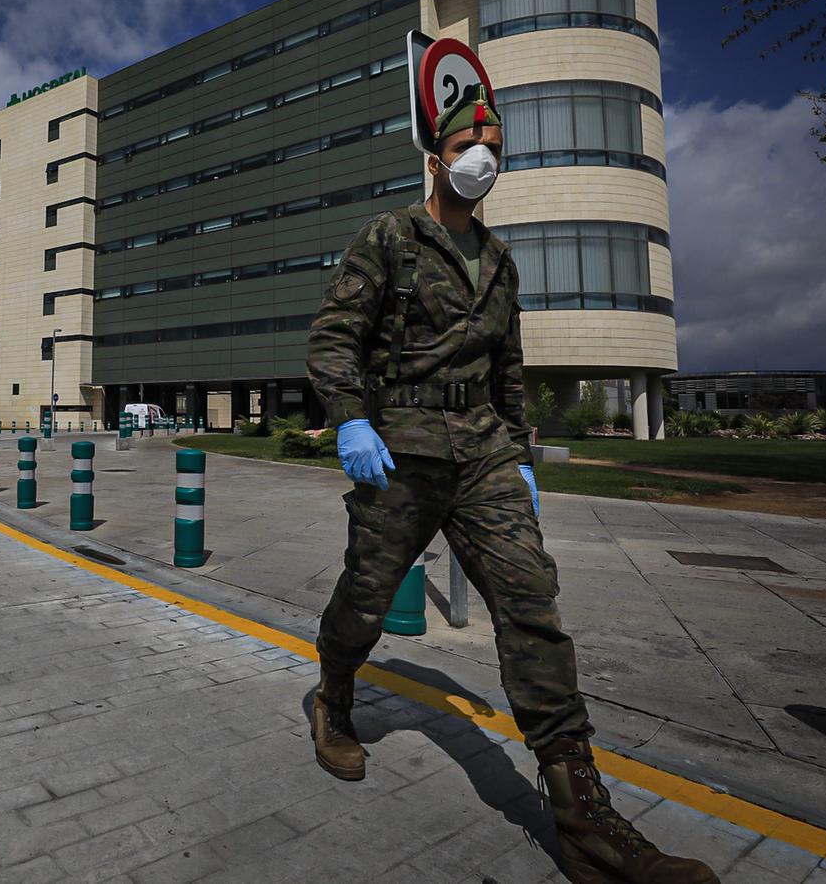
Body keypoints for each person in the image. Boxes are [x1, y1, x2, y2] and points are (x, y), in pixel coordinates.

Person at [305, 82, 717, 884]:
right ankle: (334, 696)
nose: (480, 161)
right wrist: (350, 416)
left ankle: (583, 821)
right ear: (437, 159)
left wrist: (521, 456)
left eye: (490, 152)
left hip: (486, 453)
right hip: (401, 452)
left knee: (533, 606)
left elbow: (510, 366)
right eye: (465, 150)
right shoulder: (390, 237)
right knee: (365, 596)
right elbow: (333, 336)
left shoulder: (499, 260)